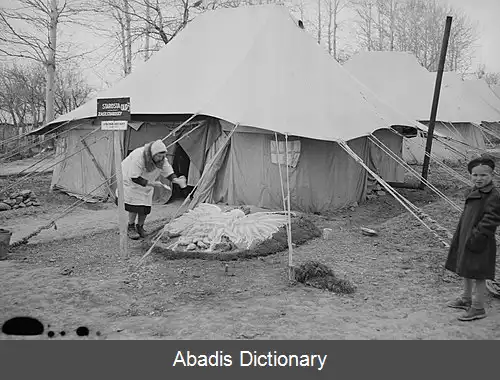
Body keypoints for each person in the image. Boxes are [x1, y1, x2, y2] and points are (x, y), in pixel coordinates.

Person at [445, 156, 500, 321]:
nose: (479, 179)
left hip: (481, 240)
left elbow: (492, 219)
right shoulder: (472, 192)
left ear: (492, 175)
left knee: (479, 273)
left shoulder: (493, 195)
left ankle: (478, 307)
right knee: (466, 268)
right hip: (465, 236)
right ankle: (466, 298)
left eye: (483, 175)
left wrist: (478, 236)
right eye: (475, 175)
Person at [119, 139, 187, 239]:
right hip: (130, 180)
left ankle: (140, 227)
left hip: (147, 181)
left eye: (163, 156)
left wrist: (176, 180)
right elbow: (134, 177)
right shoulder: (139, 156)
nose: (161, 159)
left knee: (145, 206)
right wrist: (151, 183)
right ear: (153, 153)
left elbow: (168, 171)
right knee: (134, 205)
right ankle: (131, 226)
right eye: (159, 156)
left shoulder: (161, 159)